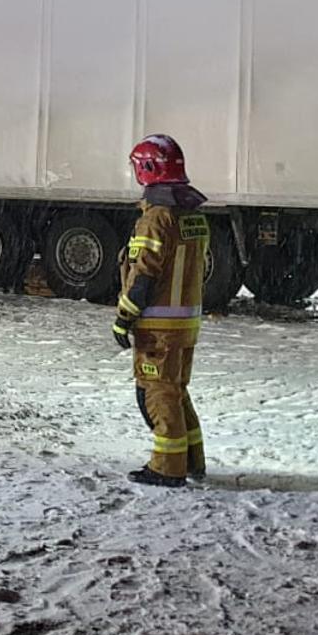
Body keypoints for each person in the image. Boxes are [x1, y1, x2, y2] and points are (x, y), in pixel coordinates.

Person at [113, 134, 211, 488]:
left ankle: (167, 468)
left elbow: (143, 275)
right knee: (176, 391)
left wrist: (124, 318)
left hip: (158, 327)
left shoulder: (157, 218)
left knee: (156, 394)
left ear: (149, 169)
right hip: (185, 325)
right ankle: (192, 460)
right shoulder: (193, 216)